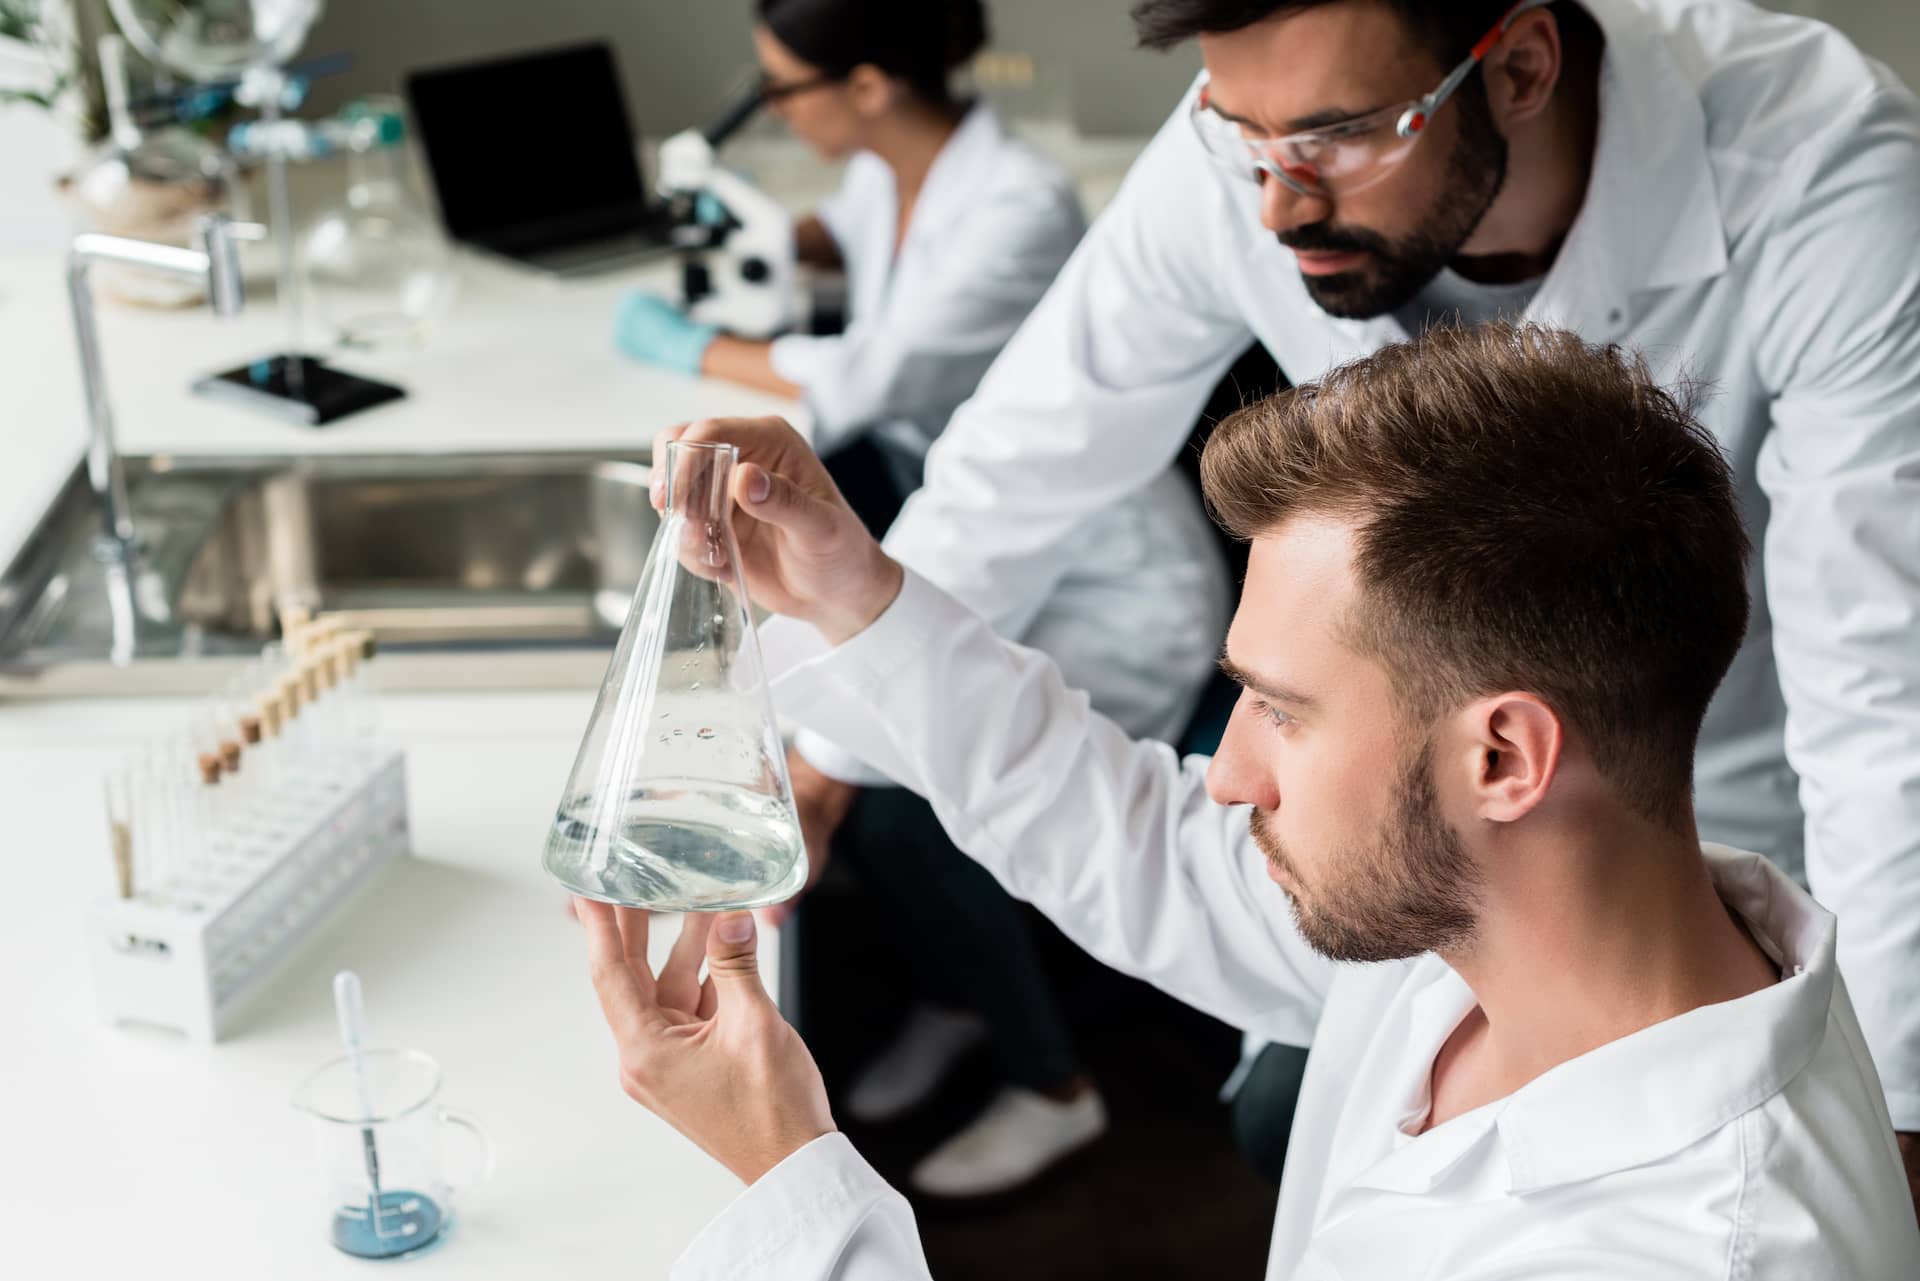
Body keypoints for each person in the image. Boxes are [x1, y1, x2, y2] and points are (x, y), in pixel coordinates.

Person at [752, 0, 1920, 1202]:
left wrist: (1888, 1119)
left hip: (1715, 804)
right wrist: (833, 743)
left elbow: (1884, 694)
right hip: (1406, 805)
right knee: (1305, 1118)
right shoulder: (1259, 144)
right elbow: (1021, 463)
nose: (1277, 206)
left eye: (1342, 136)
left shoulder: (1817, 168)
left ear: (1517, 66)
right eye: (1243, 136)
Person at [577, 326, 1920, 1278]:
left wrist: (798, 1186)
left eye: (1282, 707)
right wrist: (842, 583)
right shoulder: (1517, 916)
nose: (1227, 769)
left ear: (1505, 757)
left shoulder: (1684, 1249)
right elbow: (1133, 837)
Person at [615, 0, 1230, 1195]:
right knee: (857, 740)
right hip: (984, 538)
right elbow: (854, 268)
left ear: (870, 86)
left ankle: (1052, 1083)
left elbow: (870, 384)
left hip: (1111, 587)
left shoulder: (1018, 205)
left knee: (898, 791)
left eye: (786, 90)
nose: (775, 111)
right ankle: (961, 988)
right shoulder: (895, 180)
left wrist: (681, 345)